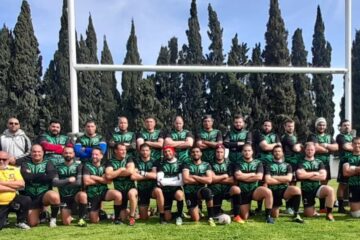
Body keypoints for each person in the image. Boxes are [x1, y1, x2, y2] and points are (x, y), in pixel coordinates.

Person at [20, 144, 60, 227]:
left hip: (44, 195)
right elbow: (26, 177)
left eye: (39, 152)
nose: (36, 153)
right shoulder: (25, 163)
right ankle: (43, 214)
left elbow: (50, 177)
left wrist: (32, 176)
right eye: (34, 151)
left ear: (43, 153)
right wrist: (42, 175)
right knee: (32, 223)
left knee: (54, 196)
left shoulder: (48, 162)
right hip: (30, 197)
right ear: (30, 153)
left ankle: (53, 219)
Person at [233, 144, 275, 224]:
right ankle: (249, 210)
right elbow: (238, 176)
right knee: (245, 217)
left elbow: (259, 177)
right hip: (243, 191)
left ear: (252, 152)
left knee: (268, 191)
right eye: (245, 151)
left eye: (249, 151)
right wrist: (252, 174)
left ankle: (268, 216)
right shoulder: (238, 163)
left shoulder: (258, 163)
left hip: (255, 190)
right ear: (242, 152)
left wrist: (244, 176)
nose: (247, 152)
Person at [296, 142, 335, 221]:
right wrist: (314, 173)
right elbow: (300, 176)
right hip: (306, 190)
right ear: (305, 150)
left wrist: (307, 175)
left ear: (315, 151)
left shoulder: (319, 162)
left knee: (330, 190)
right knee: (309, 215)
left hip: (317, 188)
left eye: (312, 150)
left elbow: (323, 176)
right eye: (308, 150)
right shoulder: (300, 162)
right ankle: (312, 210)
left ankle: (329, 213)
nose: (310, 151)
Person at [264, 145, 304, 223]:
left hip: (284, 191)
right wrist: (283, 179)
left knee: (296, 189)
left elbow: (289, 179)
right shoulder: (269, 165)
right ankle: (274, 209)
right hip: (273, 192)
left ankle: (296, 214)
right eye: (275, 151)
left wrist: (274, 177)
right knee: (275, 215)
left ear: (282, 153)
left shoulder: (288, 165)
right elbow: (268, 180)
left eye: (279, 151)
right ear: (273, 153)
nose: (277, 153)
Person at [83, 147, 122, 224]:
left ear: (101, 156)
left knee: (117, 195)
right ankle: (106, 215)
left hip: (104, 191)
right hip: (92, 194)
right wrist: (102, 180)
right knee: (94, 221)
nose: (94, 156)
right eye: (93, 154)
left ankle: (116, 218)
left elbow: (109, 181)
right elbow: (86, 182)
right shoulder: (87, 165)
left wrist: (94, 177)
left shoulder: (105, 165)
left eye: (96, 154)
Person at [307, 117, 338, 213]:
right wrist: (328, 149)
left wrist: (325, 145)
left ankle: (322, 207)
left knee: (324, 184)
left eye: (323, 125)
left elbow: (336, 147)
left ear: (326, 126)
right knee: (312, 184)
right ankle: (309, 205)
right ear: (316, 125)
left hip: (325, 163)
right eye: (320, 124)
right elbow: (315, 147)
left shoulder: (329, 136)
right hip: (314, 163)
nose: (321, 126)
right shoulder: (312, 136)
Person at [52, 147, 88, 227]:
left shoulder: (79, 165)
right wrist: (68, 180)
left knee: (83, 195)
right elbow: (54, 183)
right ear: (62, 154)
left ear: (74, 154)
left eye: (70, 153)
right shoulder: (57, 166)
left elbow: (78, 183)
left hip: (76, 196)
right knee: (66, 223)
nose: (68, 154)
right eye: (66, 153)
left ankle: (81, 218)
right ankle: (70, 215)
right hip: (63, 197)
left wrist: (61, 182)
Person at [182, 147, 216, 226]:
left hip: (200, 191)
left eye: (197, 152)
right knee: (195, 219)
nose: (195, 153)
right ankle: (198, 211)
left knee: (208, 192)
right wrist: (202, 178)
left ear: (201, 153)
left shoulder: (206, 164)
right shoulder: (186, 164)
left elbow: (209, 180)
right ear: (190, 154)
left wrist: (194, 176)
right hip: (189, 192)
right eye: (193, 152)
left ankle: (210, 217)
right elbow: (186, 180)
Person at [209, 144, 244, 223]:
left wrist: (217, 178)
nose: (219, 154)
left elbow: (233, 180)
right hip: (215, 192)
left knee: (236, 189)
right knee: (216, 215)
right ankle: (218, 211)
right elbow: (211, 179)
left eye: (221, 152)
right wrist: (224, 176)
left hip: (227, 191)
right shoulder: (210, 164)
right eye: (217, 152)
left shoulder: (230, 164)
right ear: (215, 153)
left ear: (224, 153)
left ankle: (236, 215)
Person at [105, 143, 137, 226]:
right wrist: (120, 170)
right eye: (121, 150)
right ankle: (131, 212)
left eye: (125, 150)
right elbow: (108, 175)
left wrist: (115, 173)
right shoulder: (110, 161)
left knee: (132, 193)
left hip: (130, 188)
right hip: (119, 191)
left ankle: (132, 217)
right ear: (115, 151)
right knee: (122, 218)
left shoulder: (129, 158)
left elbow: (130, 171)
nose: (124, 152)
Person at [131, 143, 164, 222]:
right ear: (140, 151)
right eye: (143, 150)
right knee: (143, 217)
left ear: (150, 151)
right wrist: (149, 175)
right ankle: (150, 212)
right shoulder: (136, 161)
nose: (145, 152)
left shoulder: (155, 161)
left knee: (158, 191)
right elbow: (133, 176)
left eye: (147, 150)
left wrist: (142, 173)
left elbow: (155, 176)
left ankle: (161, 215)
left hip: (152, 189)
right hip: (141, 190)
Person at [0, 151, 31, 230]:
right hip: (1, 203)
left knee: (25, 200)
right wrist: (12, 187)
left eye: (4, 159)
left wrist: (2, 182)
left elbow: (21, 184)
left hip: (12, 200)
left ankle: (20, 221)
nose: (1, 161)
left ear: (8, 160)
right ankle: (4, 219)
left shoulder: (14, 169)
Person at [157, 146, 184, 225]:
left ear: (173, 152)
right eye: (165, 152)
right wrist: (175, 179)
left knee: (180, 195)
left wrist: (166, 181)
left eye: (169, 151)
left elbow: (181, 182)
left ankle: (179, 216)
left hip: (175, 190)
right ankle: (175, 214)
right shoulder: (161, 164)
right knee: (167, 218)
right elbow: (159, 182)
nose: (167, 153)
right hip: (165, 191)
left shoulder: (180, 163)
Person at [281, 118, 303, 214]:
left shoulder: (293, 136)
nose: (291, 128)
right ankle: (289, 207)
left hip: (295, 163)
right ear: (285, 127)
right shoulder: (286, 137)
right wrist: (301, 145)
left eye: (292, 126)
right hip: (289, 163)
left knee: (294, 184)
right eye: (289, 126)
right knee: (290, 185)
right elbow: (296, 149)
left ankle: (293, 206)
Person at [336, 119, 353, 213]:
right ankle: (340, 207)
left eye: (348, 125)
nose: (347, 126)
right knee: (343, 185)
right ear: (341, 127)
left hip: (354, 163)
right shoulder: (340, 136)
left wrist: (352, 145)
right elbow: (346, 147)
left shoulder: (352, 136)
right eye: (344, 125)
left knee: (354, 184)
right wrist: (356, 147)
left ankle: (354, 205)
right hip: (344, 163)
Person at [342, 137, 360, 218]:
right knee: (356, 215)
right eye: (355, 143)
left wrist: (354, 168)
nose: (357, 145)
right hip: (354, 186)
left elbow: (349, 171)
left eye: (359, 143)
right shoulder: (346, 157)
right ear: (352, 145)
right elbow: (346, 173)